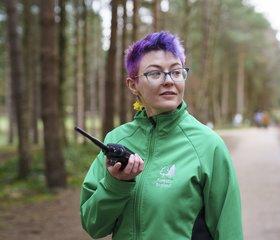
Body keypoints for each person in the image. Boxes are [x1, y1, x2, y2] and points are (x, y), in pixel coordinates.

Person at [80, 31, 243, 240]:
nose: (168, 81)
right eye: (155, 73)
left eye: (176, 72)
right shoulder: (116, 140)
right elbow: (93, 225)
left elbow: (229, 230)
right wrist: (115, 185)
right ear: (133, 84)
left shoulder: (208, 145)